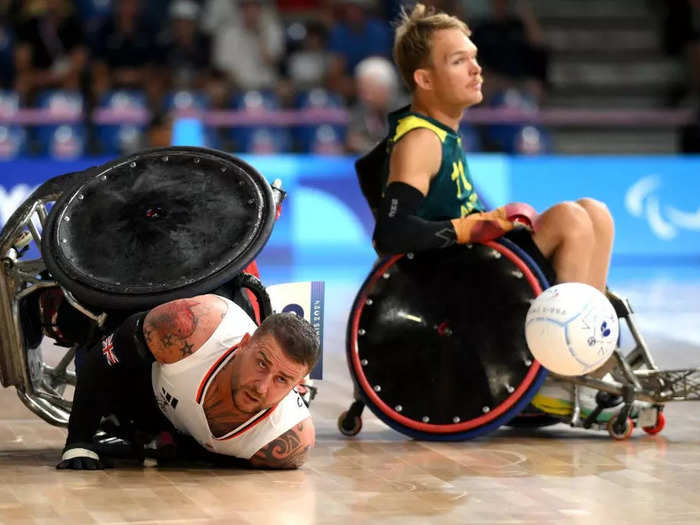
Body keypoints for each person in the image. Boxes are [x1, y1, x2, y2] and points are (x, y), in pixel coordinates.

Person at [364, 3, 637, 422]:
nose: (477, 69)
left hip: (474, 266)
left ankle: (587, 354)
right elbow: (392, 232)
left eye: (474, 58)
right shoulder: (420, 139)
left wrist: (487, 221)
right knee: (569, 218)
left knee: (594, 212)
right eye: (459, 61)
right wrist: (469, 228)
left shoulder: (444, 132)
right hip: (450, 280)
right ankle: (562, 370)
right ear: (425, 79)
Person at [57, 294, 319, 470]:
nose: (262, 387)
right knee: (85, 337)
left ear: (296, 386)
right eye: (261, 363)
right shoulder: (191, 329)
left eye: (282, 380)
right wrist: (79, 441)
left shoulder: (286, 441)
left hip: (171, 423)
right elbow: (100, 359)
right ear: (244, 344)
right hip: (147, 366)